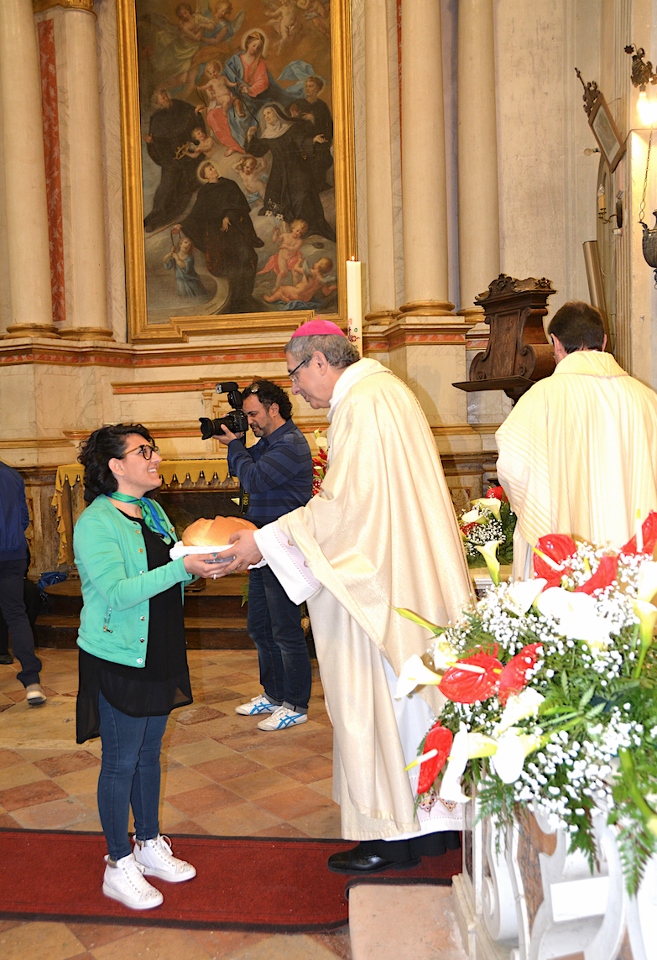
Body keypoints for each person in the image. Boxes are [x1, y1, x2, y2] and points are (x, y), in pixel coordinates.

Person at [212, 320, 473, 873]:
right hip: (400, 572)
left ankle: (390, 834)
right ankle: (431, 829)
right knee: (410, 705)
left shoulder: (363, 403)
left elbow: (345, 512)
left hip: (376, 586)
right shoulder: (387, 393)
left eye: (295, 374)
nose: (295, 388)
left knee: (378, 699)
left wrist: (263, 542)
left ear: (318, 361)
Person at [74, 424, 220, 910]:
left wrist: (203, 565)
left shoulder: (152, 510)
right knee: (121, 760)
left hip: (159, 647)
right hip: (119, 653)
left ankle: (148, 842)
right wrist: (182, 569)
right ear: (116, 466)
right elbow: (117, 593)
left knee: (149, 753)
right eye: (144, 451)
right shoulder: (96, 522)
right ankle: (118, 864)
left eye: (152, 449)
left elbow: (171, 569)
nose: (155, 458)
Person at [496, 300, 657, 578]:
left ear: (556, 343)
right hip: (636, 562)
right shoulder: (646, 399)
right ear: (603, 341)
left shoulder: (542, 397)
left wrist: (540, 513)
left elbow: (514, 467)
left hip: (568, 560)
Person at [216, 380, 314, 730]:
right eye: (246, 415)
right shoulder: (270, 442)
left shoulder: (290, 444)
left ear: (274, 409)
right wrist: (238, 444)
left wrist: (235, 446)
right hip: (262, 545)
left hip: (282, 547)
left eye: (253, 414)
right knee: (260, 626)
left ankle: (296, 704)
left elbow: (254, 479)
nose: (249, 421)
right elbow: (241, 470)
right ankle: (273, 695)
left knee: (285, 629)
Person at [177, 160, 264, 313]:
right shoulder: (204, 192)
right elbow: (196, 214)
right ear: (205, 176)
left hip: (235, 230)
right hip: (217, 235)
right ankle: (234, 300)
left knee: (248, 256)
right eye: (209, 169)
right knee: (230, 263)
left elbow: (240, 204)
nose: (213, 169)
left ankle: (245, 296)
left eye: (212, 167)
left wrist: (228, 215)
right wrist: (181, 225)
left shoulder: (229, 185)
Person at [246, 104, 336, 241]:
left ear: (277, 113)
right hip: (279, 173)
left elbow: (301, 140)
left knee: (302, 197)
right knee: (281, 201)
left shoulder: (290, 129)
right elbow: (257, 151)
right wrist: (250, 136)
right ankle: (293, 231)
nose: (267, 117)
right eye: (264, 115)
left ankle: (309, 229)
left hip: (297, 170)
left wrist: (313, 140)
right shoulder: (267, 135)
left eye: (269, 113)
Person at [0, 461, 46, 703]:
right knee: (17, 615)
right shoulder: (13, 475)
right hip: (13, 554)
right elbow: (23, 519)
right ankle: (32, 683)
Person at [143, 89, 204, 233]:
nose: (165, 98)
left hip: (188, 157)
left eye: (165, 95)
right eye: (161, 97)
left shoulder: (179, 105)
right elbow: (156, 142)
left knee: (184, 187)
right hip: (170, 160)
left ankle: (171, 214)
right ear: (158, 103)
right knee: (165, 189)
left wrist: (196, 113)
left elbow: (193, 116)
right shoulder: (156, 118)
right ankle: (153, 219)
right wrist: (150, 142)